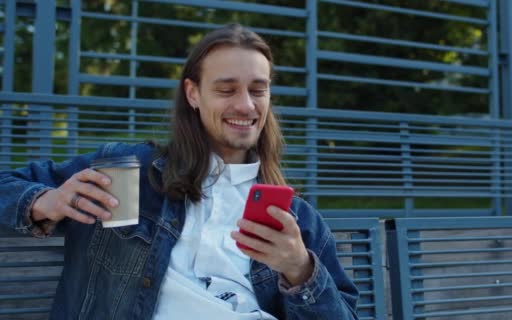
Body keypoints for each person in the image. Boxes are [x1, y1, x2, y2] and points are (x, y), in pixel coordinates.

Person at [0, 23, 359, 319]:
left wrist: (300, 270)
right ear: (193, 94)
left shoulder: (295, 219)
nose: (246, 104)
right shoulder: (129, 175)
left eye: (257, 90)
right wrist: (44, 201)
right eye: (226, 89)